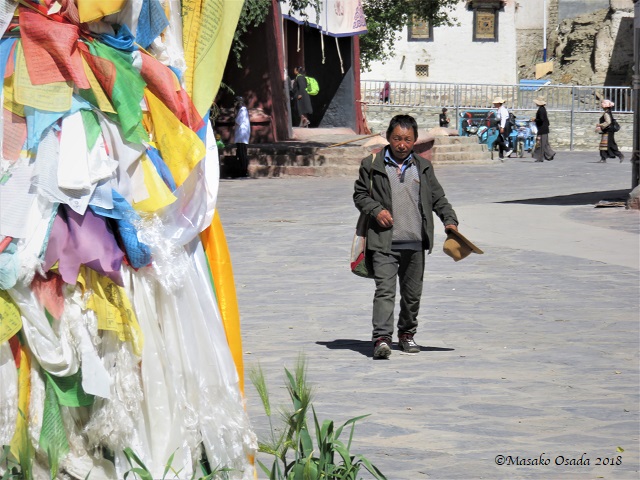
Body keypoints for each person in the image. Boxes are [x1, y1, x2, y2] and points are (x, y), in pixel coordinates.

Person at [353, 115, 459, 359]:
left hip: (415, 241)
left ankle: (406, 334)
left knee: (412, 294)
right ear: (388, 137)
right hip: (384, 242)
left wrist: (449, 220)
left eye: (407, 139)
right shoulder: (372, 164)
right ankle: (381, 338)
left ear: (414, 141)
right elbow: (360, 195)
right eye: (397, 138)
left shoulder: (423, 167)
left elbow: (438, 198)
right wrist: (376, 210)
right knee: (385, 291)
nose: (402, 144)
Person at [531, 97, 556, 162]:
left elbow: (541, 119)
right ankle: (550, 154)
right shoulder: (542, 109)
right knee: (545, 144)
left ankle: (540, 157)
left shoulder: (541, 110)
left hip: (542, 129)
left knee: (541, 144)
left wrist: (535, 120)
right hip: (544, 129)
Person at [234, 96, 250, 177]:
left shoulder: (242, 110)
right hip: (241, 135)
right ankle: (242, 169)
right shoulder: (242, 110)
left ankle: (244, 171)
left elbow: (238, 121)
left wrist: (235, 113)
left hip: (242, 135)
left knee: (242, 153)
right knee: (240, 153)